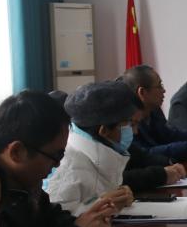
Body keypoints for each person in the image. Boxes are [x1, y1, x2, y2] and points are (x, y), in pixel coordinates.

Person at [0, 91, 115, 227]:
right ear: (17, 152)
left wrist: (88, 220)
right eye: (56, 155)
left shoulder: (25, 181)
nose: (57, 165)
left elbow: (51, 220)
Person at [44, 81, 137, 216]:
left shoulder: (102, 154)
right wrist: (103, 204)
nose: (134, 131)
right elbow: (55, 219)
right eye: (128, 124)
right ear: (104, 131)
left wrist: (119, 197)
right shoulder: (68, 166)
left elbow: (91, 198)